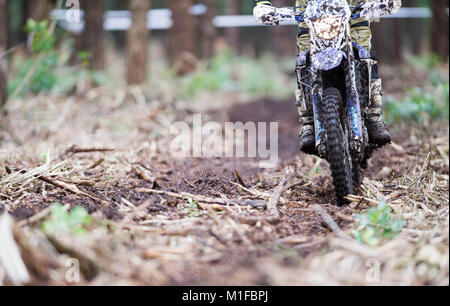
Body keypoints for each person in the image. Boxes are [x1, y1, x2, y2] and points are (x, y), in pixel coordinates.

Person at [254, 0, 392, 154]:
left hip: (353, 4)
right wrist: (263, 4)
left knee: (364, 53)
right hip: (309, 6)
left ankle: (374, 115)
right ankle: (309, 122)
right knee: (304, 58)